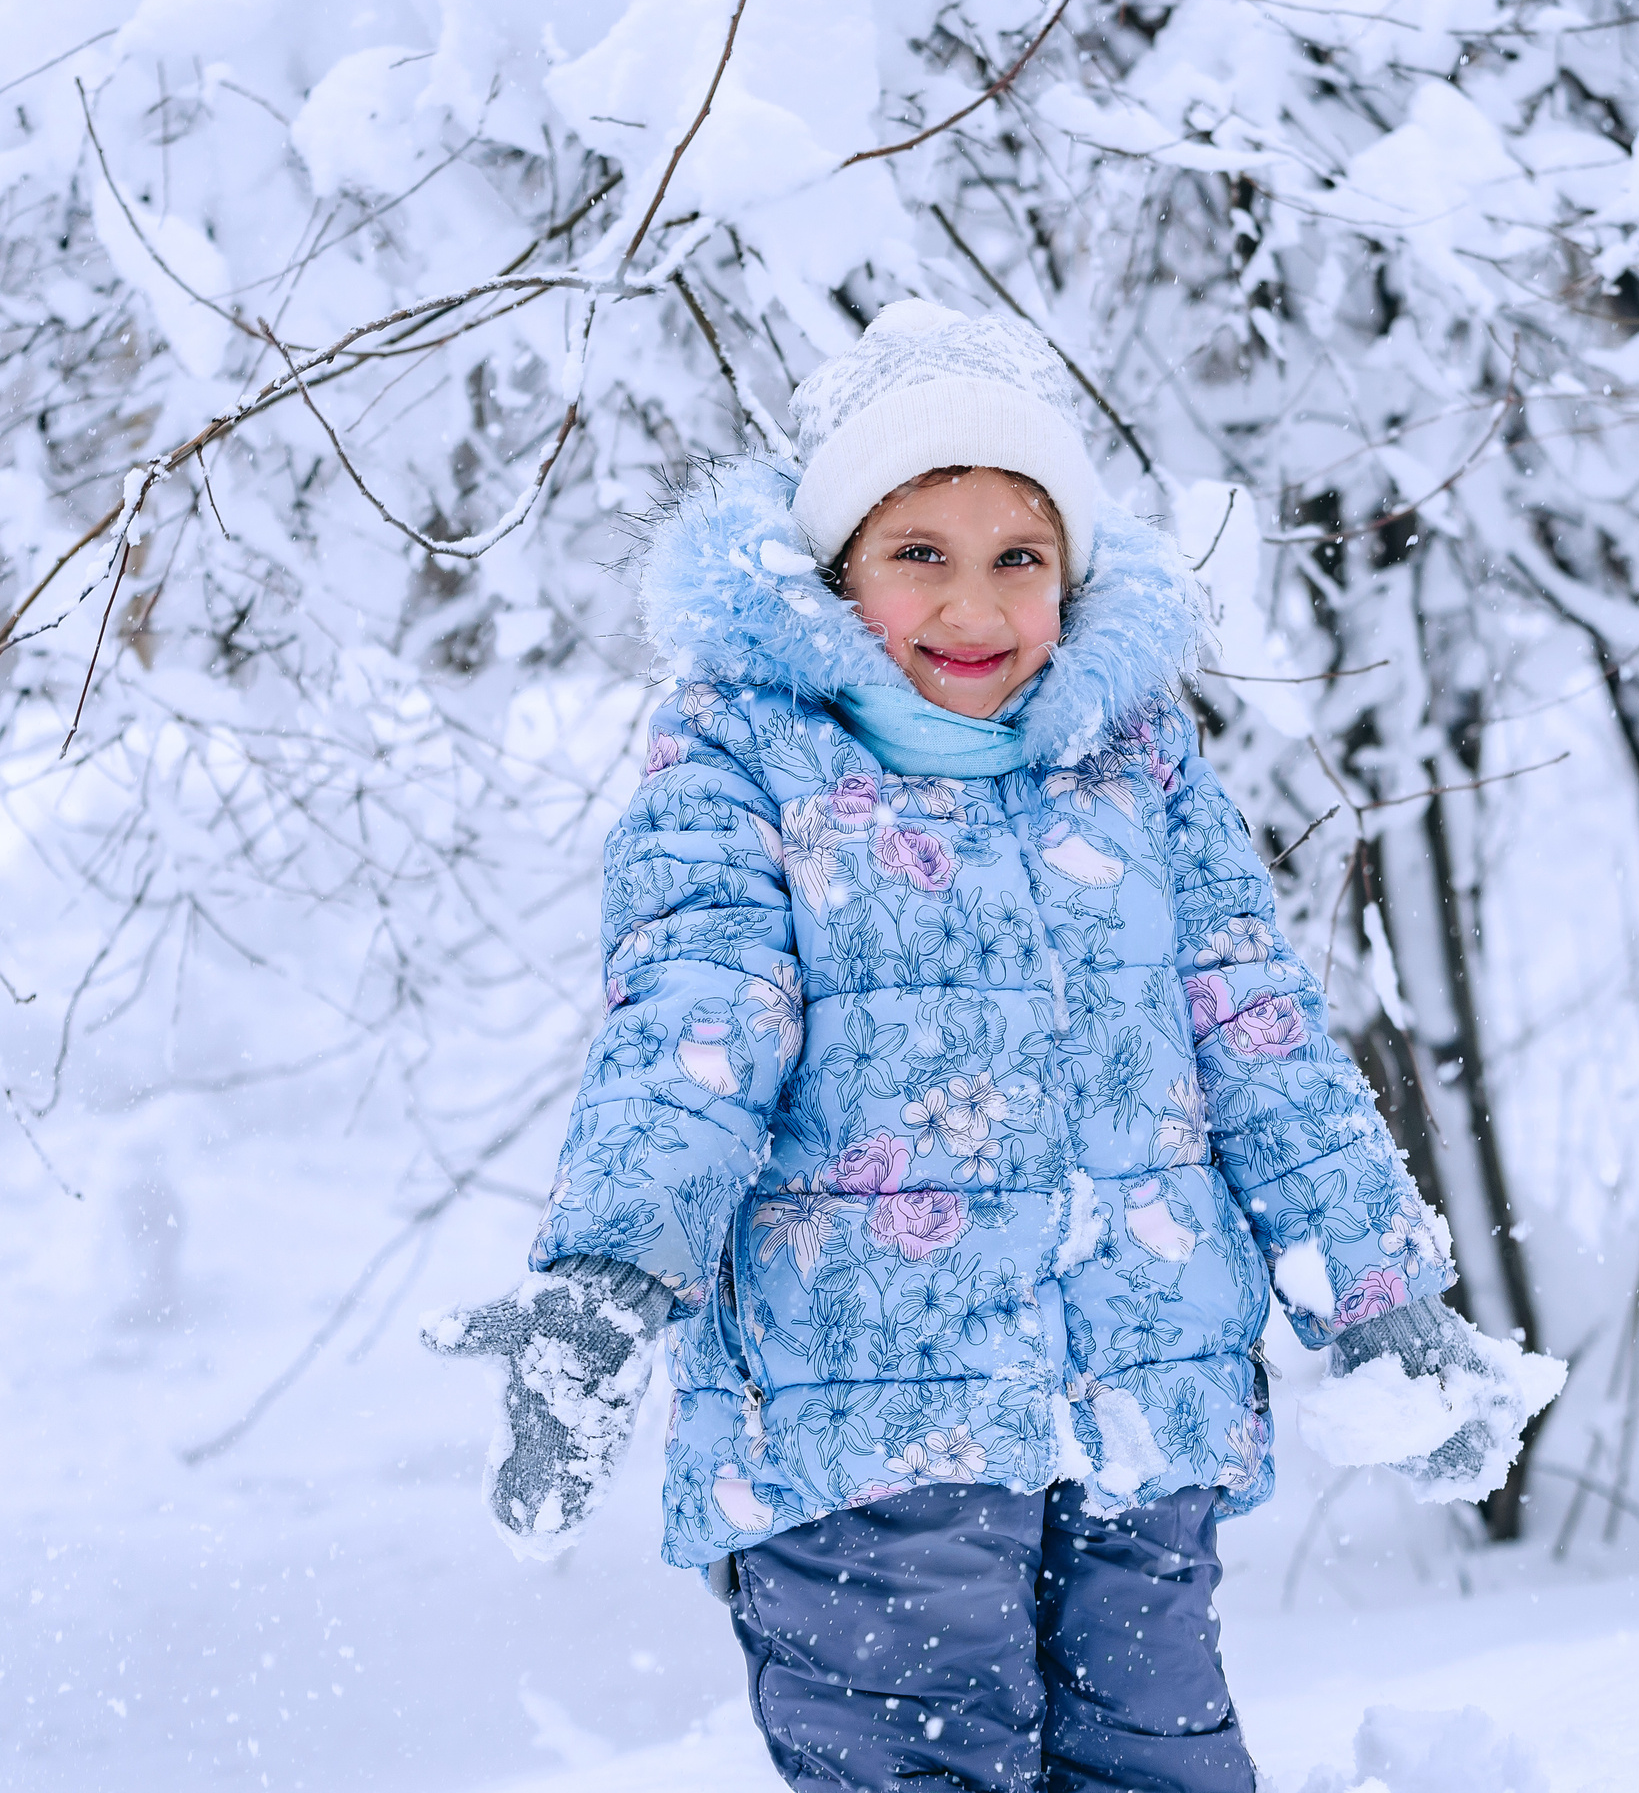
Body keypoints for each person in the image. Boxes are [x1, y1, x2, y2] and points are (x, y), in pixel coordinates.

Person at [423, 301, 1559, 1791]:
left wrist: (1376, 1293)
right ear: (838, 573)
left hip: (1141, 1414)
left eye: (1018, 558)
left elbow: (1259, 1037)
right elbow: (697, 1028)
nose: (974, 609)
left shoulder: (1135, 759)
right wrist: (608, 1284)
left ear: (1073, 576)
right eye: (920, 557)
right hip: (865, 1422)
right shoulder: (746, 755)